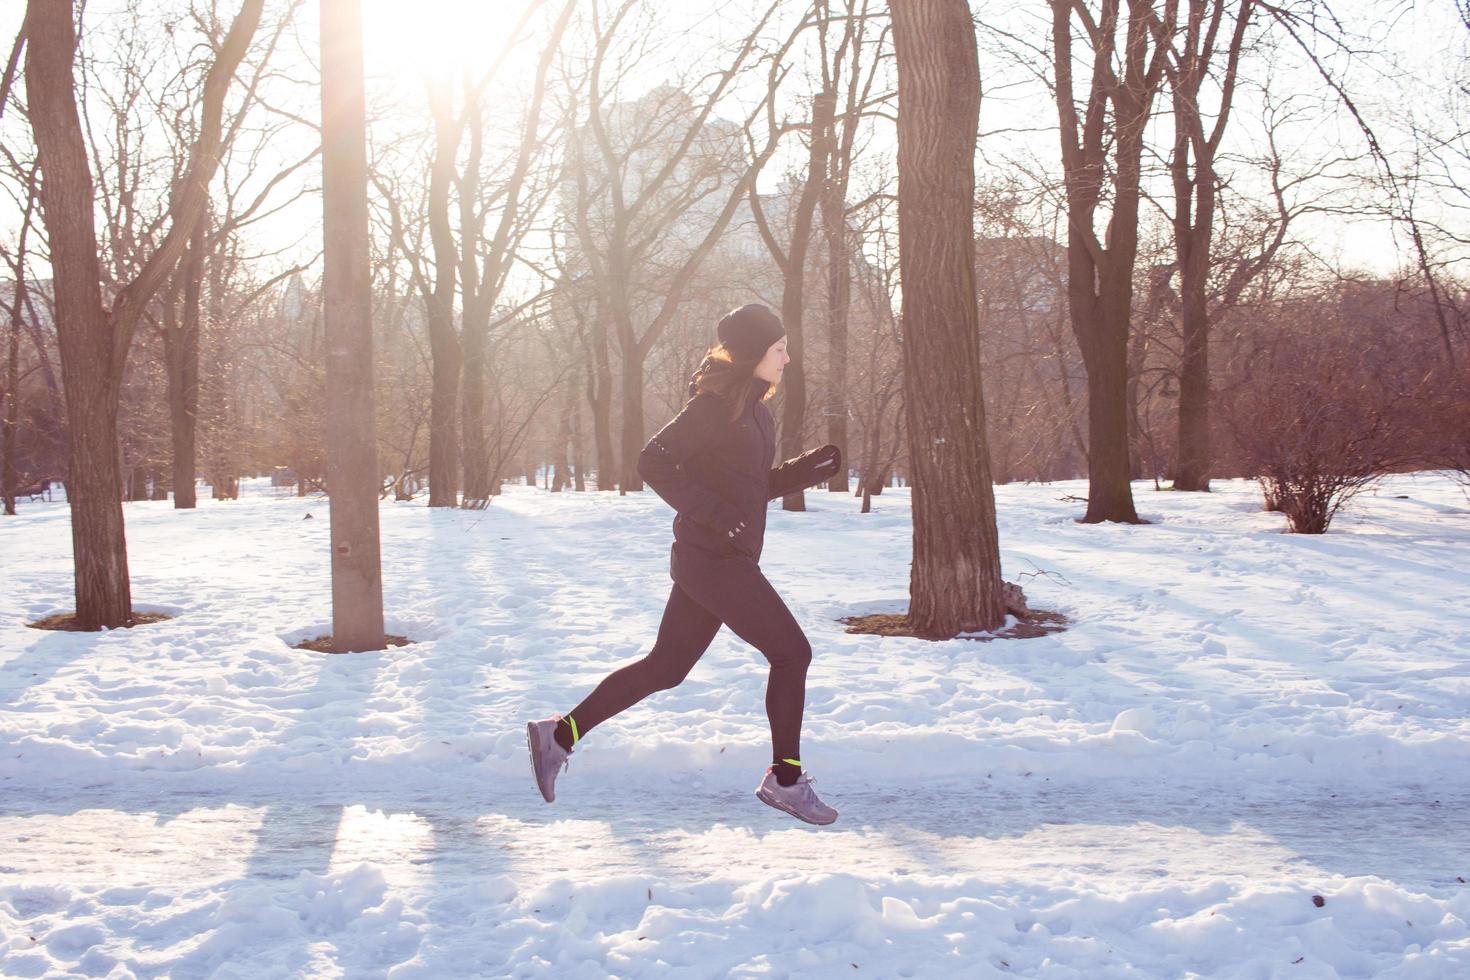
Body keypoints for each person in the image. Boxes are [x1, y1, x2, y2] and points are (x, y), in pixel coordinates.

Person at [526, 303, 843, 825]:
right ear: (752, 355)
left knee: (666, 668)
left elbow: (747, 487)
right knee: (792, 654)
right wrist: (715, 515)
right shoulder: (712, 408)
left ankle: (558, 736)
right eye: (779, 349)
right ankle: (786, 779)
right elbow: (653, 460)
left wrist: (801, 472)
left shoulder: (755, 412)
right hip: (714, 560)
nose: (788, 358)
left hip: (717, 558)